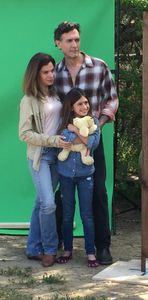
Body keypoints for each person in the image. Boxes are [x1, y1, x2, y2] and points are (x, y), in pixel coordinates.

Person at [53, 21, 119, 265]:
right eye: (68, 40)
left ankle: (102, 247)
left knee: (99, 193)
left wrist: (97, 127)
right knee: (61, 194)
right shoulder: (55, 73)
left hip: (92, 143)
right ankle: (58, 243)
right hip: (65, 143)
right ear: (58, 44)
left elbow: (112, 100)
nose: (74, 44)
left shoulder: (99, 67)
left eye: (77, 39)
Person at [19, 53, 71, 267]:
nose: (51, 75)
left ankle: (33, 248)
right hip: (40, 157)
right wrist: (52, 140)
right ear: (36, 74)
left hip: (59, 156)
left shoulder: (57, 95)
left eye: (52, 71)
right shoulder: (28, 100)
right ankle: (49, 249)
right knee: (48, 204)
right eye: (46, 72)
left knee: (41, 202)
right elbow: (24, 134)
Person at [56, 88, 100, 268]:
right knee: (67, 215)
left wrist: (74, 130)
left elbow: (92, 143)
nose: (84, 106)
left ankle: (91, 252)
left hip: (85, 176)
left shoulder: (93, 122)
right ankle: (67, 250)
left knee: (87, 214)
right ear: (72, 107)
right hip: (65, 175)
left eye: (86, 103)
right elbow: (64, 141)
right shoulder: (63, 123)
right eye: (80, 103)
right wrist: (78, 136)